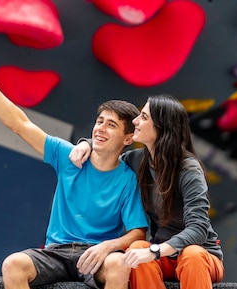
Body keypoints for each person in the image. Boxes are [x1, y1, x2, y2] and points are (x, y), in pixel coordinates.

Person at [0, 47, 148, 289]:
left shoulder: (128, 178)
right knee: (12, 264)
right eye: (99, 121)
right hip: (55, 252)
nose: (100, 128)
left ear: (127, 139)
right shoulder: (68, 155)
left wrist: (107, 246)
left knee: (119, 264)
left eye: (111, 125)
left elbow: (138, 233)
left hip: (97, 255)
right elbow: (20, 124)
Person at [71, 94, 224, 289]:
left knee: (191, 254)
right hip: (163, 257)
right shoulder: (136, 160)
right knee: (136, 249)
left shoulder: (188, 170)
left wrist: (156, 250)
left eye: (143, 117)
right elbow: (108, 156)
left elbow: (199, 228)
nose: (135, 121)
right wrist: (87, 143)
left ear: (161, 128)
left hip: (201, 257)